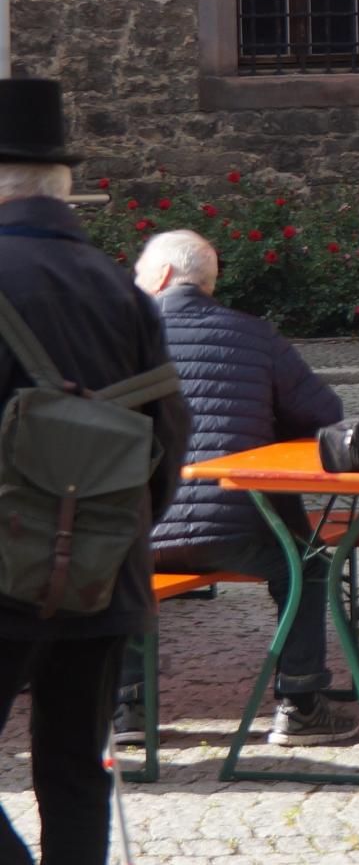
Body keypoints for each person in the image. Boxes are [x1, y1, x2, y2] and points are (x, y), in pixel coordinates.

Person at [0, 80, 187, 865]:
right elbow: (168, 433)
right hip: (105, 575)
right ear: (61, 183)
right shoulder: (123, 287)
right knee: (77, 772)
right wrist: (108, 532)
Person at [127, 229, 359, 746]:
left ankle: (125, 706)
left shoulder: (114, 338)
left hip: (135, 531)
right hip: (232, 527)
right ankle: (300, 703)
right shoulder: (255, 335)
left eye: (138, 271)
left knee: (117, 566)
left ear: (162, 276)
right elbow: (326, 414)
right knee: (307, 566)